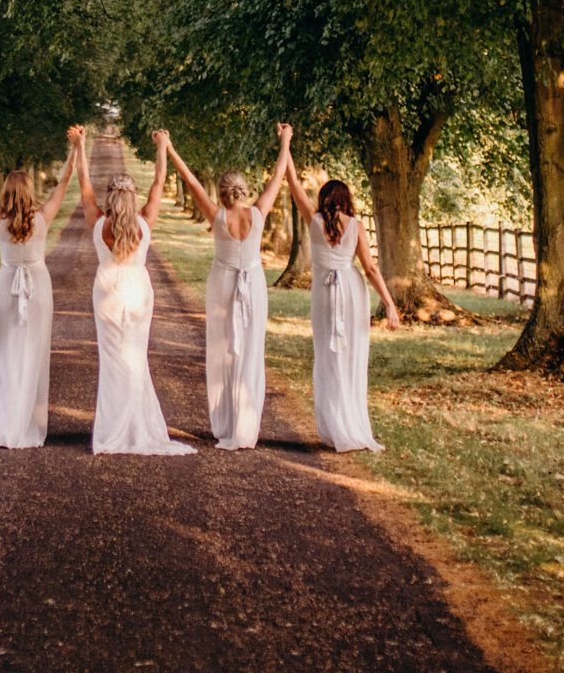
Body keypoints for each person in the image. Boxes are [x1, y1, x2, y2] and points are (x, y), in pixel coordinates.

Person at [161, 124, 292, 450]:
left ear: (222, 194)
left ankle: (226, 424)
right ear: (244, 191)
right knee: (250, 351)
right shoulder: (258, 214)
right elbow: (279, 176)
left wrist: (169, 146)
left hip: (222, 286)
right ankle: (246, 427)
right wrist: (286, 141)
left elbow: (191, 181)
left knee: (223, 352)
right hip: (253, 287)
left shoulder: (217, 216)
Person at [73, 129, 194, 456]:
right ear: (132, 197)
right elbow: (159, 182)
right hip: (138, 292)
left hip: (107, 293)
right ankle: (137, 426)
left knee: (112, 360)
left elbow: (83, 182)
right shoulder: (144, 222)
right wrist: (162, 147)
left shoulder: (98, 222)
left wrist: (80, 145)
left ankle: (112, 430)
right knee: (136, 358)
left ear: (110, 196)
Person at [0, 123, 81, 448]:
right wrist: (76, 147)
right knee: (34, 353)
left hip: (8, 286)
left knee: (7, 353)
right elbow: (64, 181)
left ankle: (7, 425)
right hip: (38, 288)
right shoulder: (43, 217)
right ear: (30, 192)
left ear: (7, 192)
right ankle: (28, 425)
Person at [283, 173, 403, 451]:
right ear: (347, 200)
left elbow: (295, 186)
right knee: (351, 357)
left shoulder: (314, 221)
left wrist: (286, 153)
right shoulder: (356, 226)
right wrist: (389, 303)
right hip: (351, 291)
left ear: (323, 199)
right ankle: (350, 424)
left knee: (327, 356)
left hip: (324, 294)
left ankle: (334, 425)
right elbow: (370, 269)